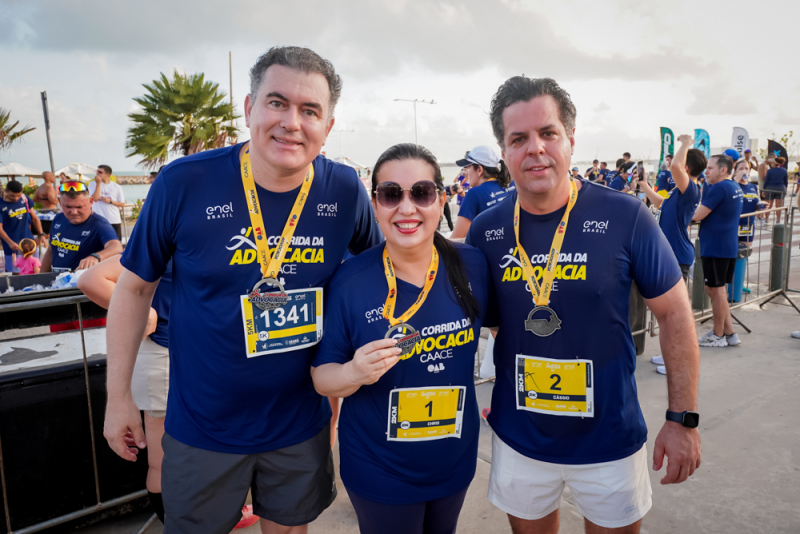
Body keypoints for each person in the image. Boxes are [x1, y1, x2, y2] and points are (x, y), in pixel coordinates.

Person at [104, 46, 383, 534]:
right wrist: (118, 396)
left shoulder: (343, 190)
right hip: (203, 428)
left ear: (328, 126)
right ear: (250, 107)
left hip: (300, 425)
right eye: (277, 103)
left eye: (310, 110)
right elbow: (133, 291)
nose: (291, 123)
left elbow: (377, 275)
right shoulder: (183, 183)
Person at [467, 76, 701, 534]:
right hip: (521, 439)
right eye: (519, 138)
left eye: (548, 133)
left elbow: (675, 314)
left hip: (609, 441)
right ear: (504, 151)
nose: (535, 149)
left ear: (570, 140)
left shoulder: (626, 215)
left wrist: (683, 420)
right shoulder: (486, 230)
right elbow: (495, 323)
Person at [311, 144, 488, 534]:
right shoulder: (349, 281)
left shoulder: (473, 265)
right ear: (375, 205)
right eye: (391, 194)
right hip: (380, 468)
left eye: (421, 193)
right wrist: (353, 373)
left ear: (441, 200)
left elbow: (505, 332)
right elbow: (322, 377)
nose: (407, 208)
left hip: (454, 460)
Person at [78, 255, 172, 524]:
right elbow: (91, 279)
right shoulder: (164, 239)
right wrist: (144, 312)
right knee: (163, 460)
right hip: (164, 355)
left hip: (197, 358)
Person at [692, 154, 743, 348]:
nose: (706, 171)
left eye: (710, 168)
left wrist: (677, 215)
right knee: (715, 289)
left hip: (716, 246)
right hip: (725, 245)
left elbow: (697, 215)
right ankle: (730, 333)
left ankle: (718, 335)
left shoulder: (720, 187)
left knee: (716, 290)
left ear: (723, 170)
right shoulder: (733, 186)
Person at [638, 136, 703, 281]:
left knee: (674, 297)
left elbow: (675, 167)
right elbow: (661, 203)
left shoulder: (691, 190)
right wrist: (644, 185)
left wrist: (686, 143)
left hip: (677, 256)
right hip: (668, 253)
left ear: (685, 168)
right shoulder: (677, 190)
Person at [41, 181, 122, 273]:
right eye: (68, 207)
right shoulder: (58, 219)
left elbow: (116, 247)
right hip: (57, 279)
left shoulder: (99, 224)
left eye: (79, 207)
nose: (74, 212)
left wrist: (95, 257)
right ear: (60, 202)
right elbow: (51, 250)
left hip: (81, 280)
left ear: (90, 202)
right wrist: (40, 277)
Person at [448, 145, 515, 240]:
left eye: (468, 167)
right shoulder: (513, 184)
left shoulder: (474, 194)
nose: (466, 172)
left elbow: (456, 240)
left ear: (479, 170)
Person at [0, 180, 44, 274]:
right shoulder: (1, 204)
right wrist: (10, 242)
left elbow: (34, 218)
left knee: (35, 270)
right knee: (17, 274)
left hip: (29, 243)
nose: (16, 198)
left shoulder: (25, 199)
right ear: (6, 191)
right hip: (12, 245)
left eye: (18, 195)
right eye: (12, 196)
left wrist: (41, 234)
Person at [89, 165, 126, 240]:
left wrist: (110, 201)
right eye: (97, 171)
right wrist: (98, 184)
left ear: (107, 175)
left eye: (100, 172)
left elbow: (122, 204)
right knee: (98, 243)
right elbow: (95, 198)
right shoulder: (92, 184)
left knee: (116, 241)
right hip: (98, 220)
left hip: (113, 219)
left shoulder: (117, 187)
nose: (97, 173)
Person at [735, 159, 759, 247]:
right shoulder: (732, 185)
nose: (744, 171)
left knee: (745, 251)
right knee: (732, 251)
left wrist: (761, 206)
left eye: (746, 168)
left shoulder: (753, 186)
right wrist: (736, 179)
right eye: (741, 169)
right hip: (734, 224)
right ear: (735, 171)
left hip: (748, 224)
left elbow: (756, 203)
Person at [33, 171, 59, 239]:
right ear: (47, 177)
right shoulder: (49, 188)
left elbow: (34, 199)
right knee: (51, 233)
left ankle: (36, 242)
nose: (54, 177)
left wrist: (43, 200)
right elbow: (53, 201)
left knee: (46, 233)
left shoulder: (40, 188)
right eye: (52, 176)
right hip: (51, 212)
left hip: (44, 211)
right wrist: (61, 198)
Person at [762, 156, 788, 224]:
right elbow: (786, 182)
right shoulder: (784, 170)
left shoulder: (769, 171)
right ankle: (778, 220)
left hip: (770, 189)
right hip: (781, 189)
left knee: (768, 205)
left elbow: (766, 181)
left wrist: (764, 190)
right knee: (779, 206)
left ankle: (766, 219)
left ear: (774, 163)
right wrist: (786, 189)